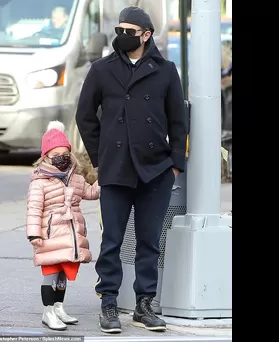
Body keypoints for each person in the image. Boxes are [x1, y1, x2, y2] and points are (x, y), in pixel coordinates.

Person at [75, 6, 187, 334]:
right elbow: (85, 116)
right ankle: (108, 301)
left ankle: (144, 304)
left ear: (146, 35)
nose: (121, 36)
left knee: (149, 242)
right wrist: (100, 157)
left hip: (156, 171)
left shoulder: (165, 70)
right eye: (119, 29)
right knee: (112, 239)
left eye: (129, 31)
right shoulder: (101, 69)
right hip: (115, 169)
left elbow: (179, 120)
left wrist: (176, 164)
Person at [26, 121, 100, 331]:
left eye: (65, 154)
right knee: (50, 274)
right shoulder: (40, 182)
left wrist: (105, 178)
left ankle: (58, 307)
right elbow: (33, 209)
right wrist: (34, 235)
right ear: (45, 157)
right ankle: (47, 311)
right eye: (55, 154)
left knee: (61, 277)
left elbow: (91, 193)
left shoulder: (75, 179)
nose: (61, 158)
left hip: (69, 237)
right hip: (49, 237)